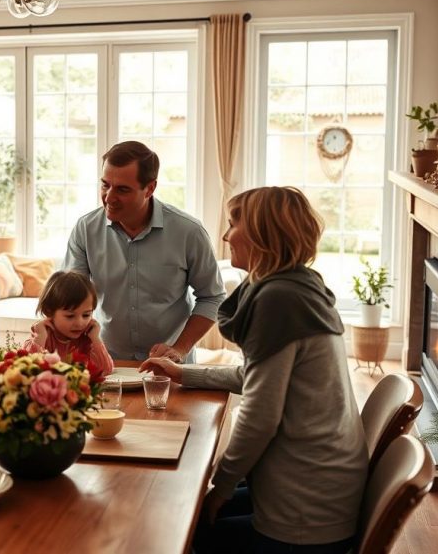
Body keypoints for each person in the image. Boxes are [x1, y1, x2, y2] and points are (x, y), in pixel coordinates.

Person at [142, 186, 367, 554]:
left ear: (264, 232)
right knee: (184, 501)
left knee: (175, 525)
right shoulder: (298, 286)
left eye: (234, 224)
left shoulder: (280, 300)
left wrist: (221, 486)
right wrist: (183, 373)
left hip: (305, 516)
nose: (226, 235)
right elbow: (258, 378)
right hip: (319, 488)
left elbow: (261, 416)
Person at [64, 140, 225, 363]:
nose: (109, 197)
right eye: (105, 185)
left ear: (150, 188)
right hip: (106, 362)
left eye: (122, 189)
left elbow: (212, 296)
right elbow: (71, 297)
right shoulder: (85, 229)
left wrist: (179, 349)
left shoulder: (189, 232)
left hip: (171, 366)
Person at [20, 271, 115, 376]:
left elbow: (106, 370)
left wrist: (96, 339)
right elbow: (26, 370)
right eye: (70, 316)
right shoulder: (42, 335)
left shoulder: (87, 338)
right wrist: (40, 338)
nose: (79, 323)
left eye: (86, 315)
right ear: (49, 311)